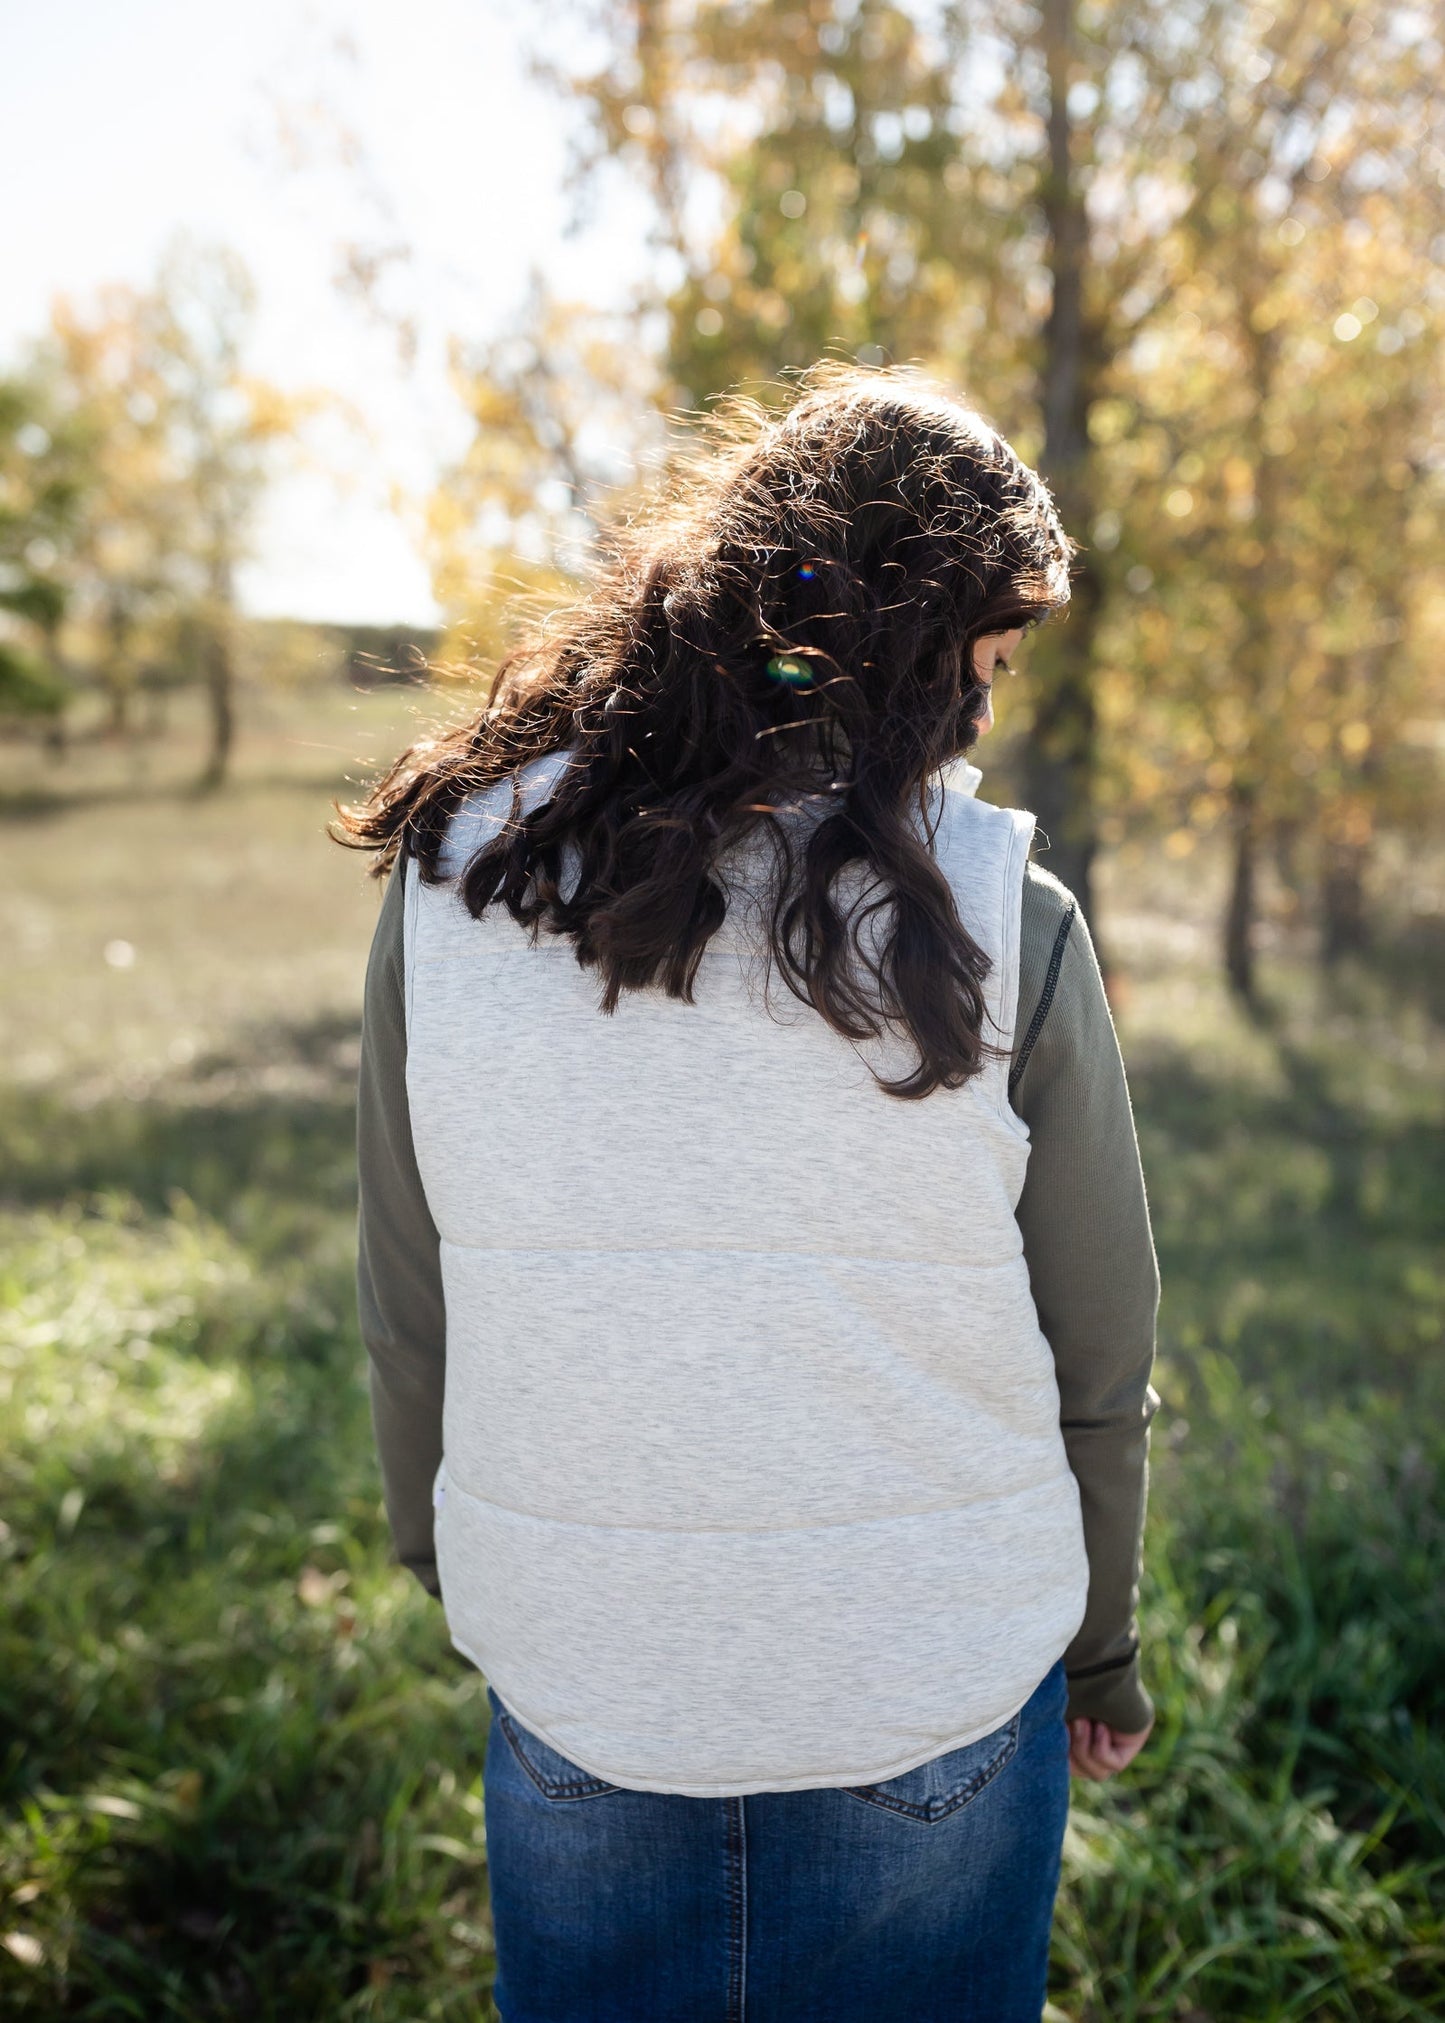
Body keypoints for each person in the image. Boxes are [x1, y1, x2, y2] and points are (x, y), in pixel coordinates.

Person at [339, 364, 1160, 2023]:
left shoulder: (453, 884)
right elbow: (1101, 1347)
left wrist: (458, 1561)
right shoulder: (1011, 913)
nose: (983, 718)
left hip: (585, 1677)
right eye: (979, 665)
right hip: (928, 1684)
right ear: (903, 643)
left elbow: (406, 1284)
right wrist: (1103, 1649)